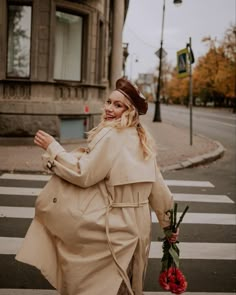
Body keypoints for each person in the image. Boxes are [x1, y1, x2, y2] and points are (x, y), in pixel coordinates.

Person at [16, 78, 178, 295]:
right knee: (128, 285)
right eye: (109, 102)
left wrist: (53, 148)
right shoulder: (143, 141)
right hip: (140, 230)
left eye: (118, 105)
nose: (110, 109)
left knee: (99, 286)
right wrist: (170, 228)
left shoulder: (112, 136)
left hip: (115, 229)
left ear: (129, 111)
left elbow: (83, 173)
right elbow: (161, 193)